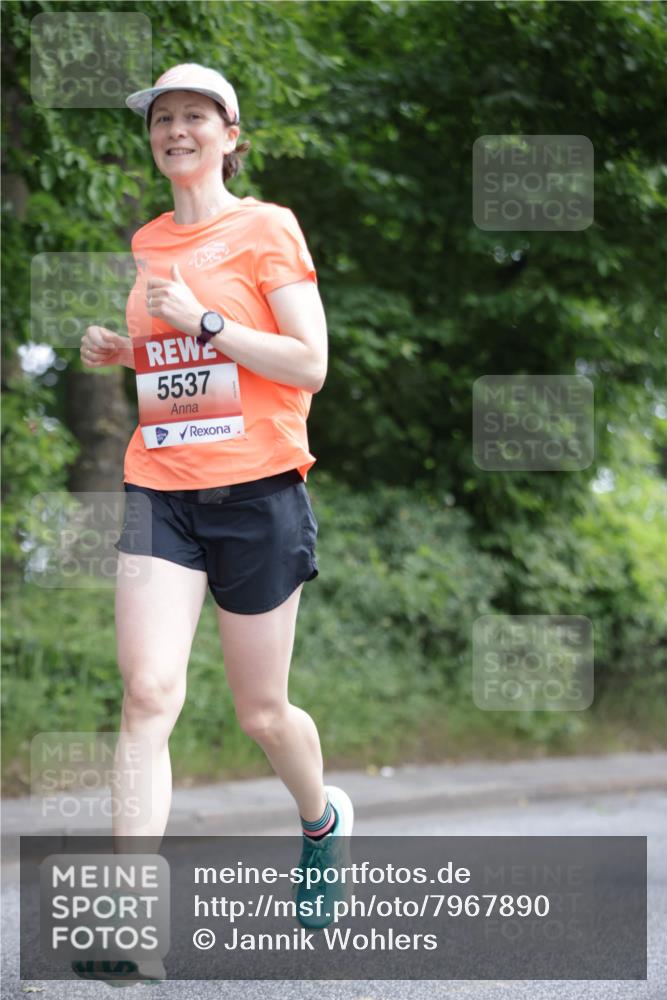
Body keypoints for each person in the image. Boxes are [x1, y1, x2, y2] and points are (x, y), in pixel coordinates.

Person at [76, 63, 353, 985]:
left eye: (195, 115)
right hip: (162, 488)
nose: (175, 130)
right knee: (148, 693)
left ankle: (320, 820)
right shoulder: (149, 239)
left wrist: (199, 320)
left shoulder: (267, 227)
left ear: (230, 135)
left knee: (261, 713)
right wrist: (128, 352)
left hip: (258, 494)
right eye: (163, 118)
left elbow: (307, 363)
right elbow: (187, 380)